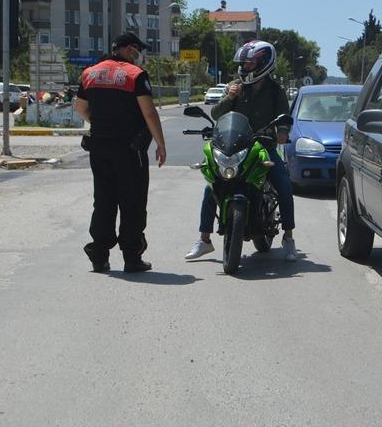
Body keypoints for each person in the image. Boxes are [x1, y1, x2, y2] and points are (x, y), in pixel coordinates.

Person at [185, 40, 298, 262]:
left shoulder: (276, 91)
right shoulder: (235, 87)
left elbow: (284, 118)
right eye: (244, 64)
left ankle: (288, 237)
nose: (244, 67)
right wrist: (229, 97)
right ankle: (204, 239)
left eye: (249, 63)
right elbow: (217, 115)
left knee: (283, 183)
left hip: (263, 147)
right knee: (212, 187)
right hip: (236, 146)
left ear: (264, 63)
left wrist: (282, 132)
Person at [74, 32, 166, 274]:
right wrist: (160, 143)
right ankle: (132, 257)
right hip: (129, 149)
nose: (139, 55)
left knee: (103, 200)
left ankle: (99, 255)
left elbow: (80, 108)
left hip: (99, 147)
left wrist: (100, 122)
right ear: (127, 49)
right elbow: (149, 113)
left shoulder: (90, 73)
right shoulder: (135, 75)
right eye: (137, 50)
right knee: (132, 202)